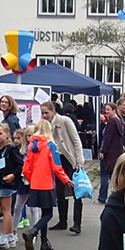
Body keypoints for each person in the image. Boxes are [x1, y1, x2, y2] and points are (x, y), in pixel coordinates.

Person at [20, 119, 72, 250]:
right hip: (47, 184)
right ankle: (33, 232)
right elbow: (56, 167)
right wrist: (66, 180)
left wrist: (32, 180)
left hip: (35, 184)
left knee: (44, 213)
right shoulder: (50, 146)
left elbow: (25, 169)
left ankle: (44, 243)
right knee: (47, 214)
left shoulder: (31, 146)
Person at [41, 100, 85, 233]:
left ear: (53, 111)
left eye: (46, 112)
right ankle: (62, 221)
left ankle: (77, 224)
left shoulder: (65, 121)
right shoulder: (45, 125)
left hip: (69, 158)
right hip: (56, 159)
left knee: (76, 191)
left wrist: (79, 161)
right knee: (59, 191)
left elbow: (76, 140)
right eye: (42, 113)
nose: (44, 115)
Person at [0, 124, 24, 250]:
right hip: (0, 182)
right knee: (6, 209)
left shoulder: (11, 150)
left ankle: (4, 237)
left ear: (7, 134)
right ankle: (9, 236)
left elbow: (20, 164)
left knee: (6, 210)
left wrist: (13, 175)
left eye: (0, 133)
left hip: (7, 183)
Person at [98, 102, 125, 204]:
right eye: (106, 109)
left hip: (109, 154)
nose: (106, 111)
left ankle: (102, 197)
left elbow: (107, 138)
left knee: (104, 175)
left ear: (114, 110)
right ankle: (118, 195)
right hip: (116, 153)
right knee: (113, 176)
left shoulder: (111, 122)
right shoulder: (119, 121)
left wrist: (102, 151)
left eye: (108, 109)